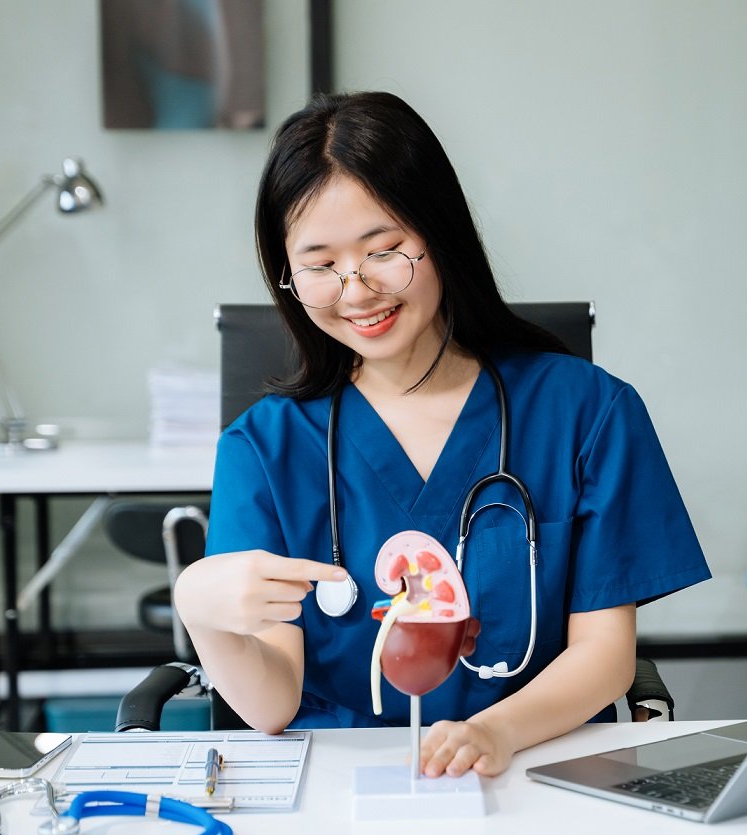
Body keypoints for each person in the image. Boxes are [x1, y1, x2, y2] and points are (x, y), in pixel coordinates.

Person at [175, 91, 709, 778]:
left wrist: (495, 731)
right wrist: (201, 611)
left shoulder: (587, 411)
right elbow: (272, 703)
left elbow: (605, 657)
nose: (355, 290)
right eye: (319, 265)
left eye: (384, 251)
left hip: (536, 770)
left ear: (441, 234)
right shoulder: (264, 448)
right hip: (341, 788)